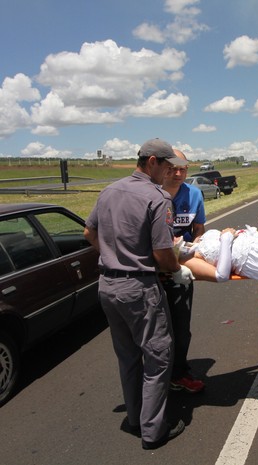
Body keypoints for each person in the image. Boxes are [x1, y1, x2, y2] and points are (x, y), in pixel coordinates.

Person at [83, 138, 193, 450]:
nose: (170, 172)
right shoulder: (156, 198)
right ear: (152, 162)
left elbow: (89, 232)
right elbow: (162, 251)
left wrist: (114, 255)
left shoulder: (110, 191)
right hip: (138, 288)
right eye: (167, 166)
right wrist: (174, 270)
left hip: (108, 286)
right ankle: (153, 430)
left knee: (128, 357)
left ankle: (135, 417)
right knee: (158, 357)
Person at [161, 149, 206, 394]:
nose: (178, 174)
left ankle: (179, 373)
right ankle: (155, 375)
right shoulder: (151, 194)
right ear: (162, 167)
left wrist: (195, 244)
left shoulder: (195, 194)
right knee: (157, 328)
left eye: (183, 169)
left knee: (181, 325)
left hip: (182, 270)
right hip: (155, 271)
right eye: (173, 168)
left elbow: (199, 228)